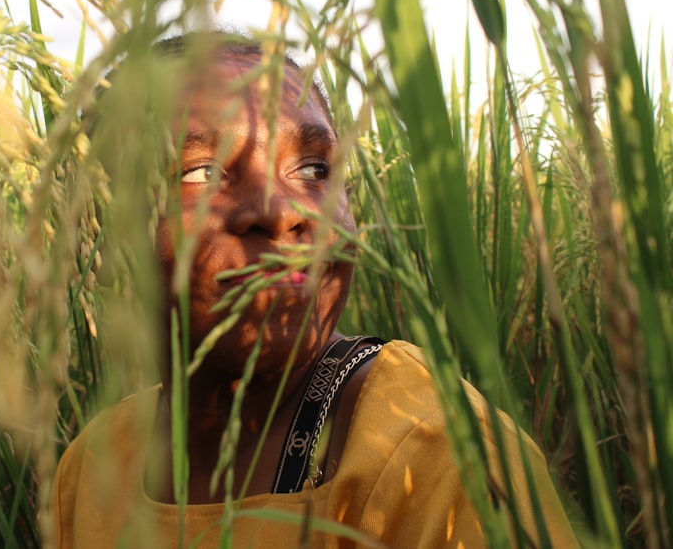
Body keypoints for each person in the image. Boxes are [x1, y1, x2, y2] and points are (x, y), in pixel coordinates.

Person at [53, 35, 577, 547]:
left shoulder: (440, 455)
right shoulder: (90, 469)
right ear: (99, 230)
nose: (282, 213)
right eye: (202, 172)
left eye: (312, 169)